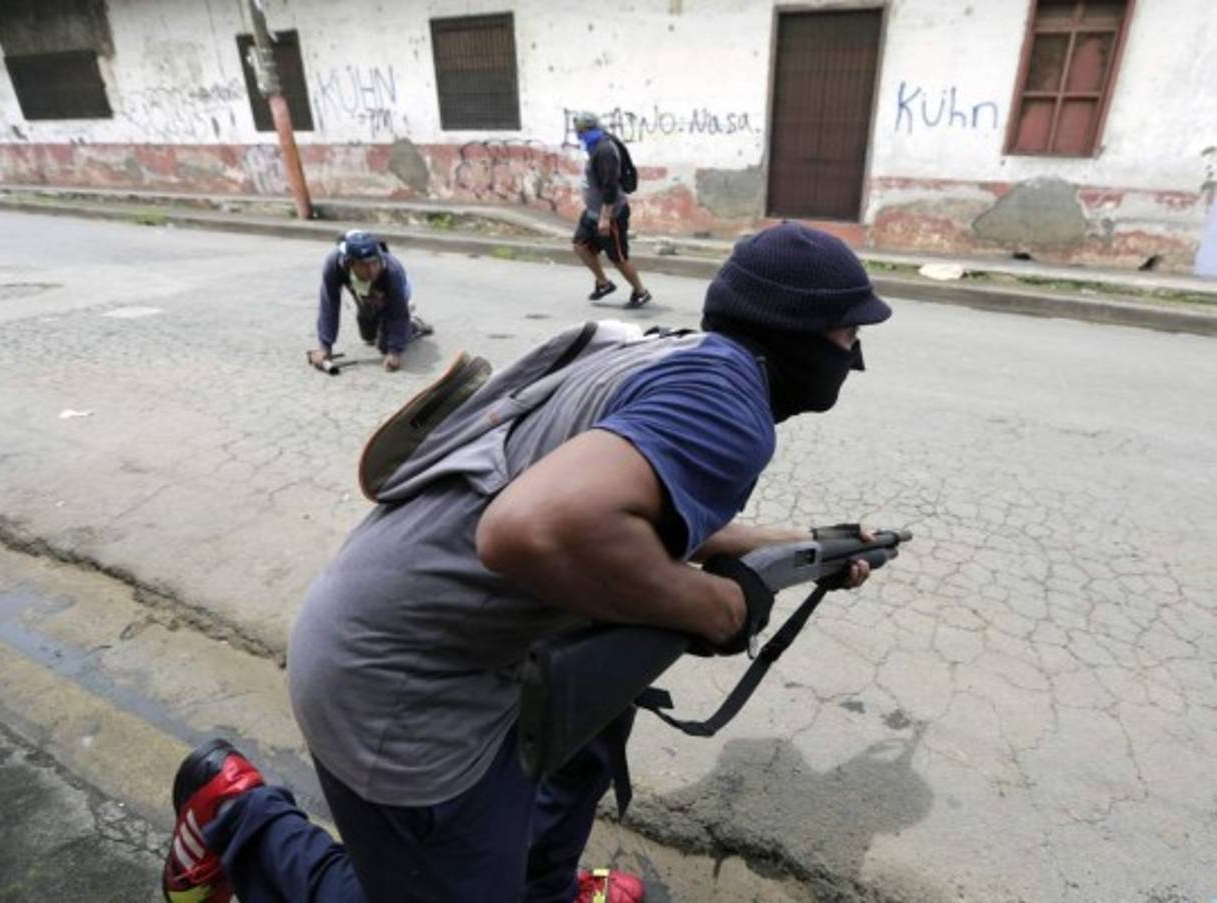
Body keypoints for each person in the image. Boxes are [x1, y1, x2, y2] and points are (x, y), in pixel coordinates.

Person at [162, 222, 893, 903]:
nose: (854, 354)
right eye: (847, 331)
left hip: (432, 644)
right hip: (401, 695)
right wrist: (724, 610)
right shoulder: (730, 405)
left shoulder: (668, 350)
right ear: (797, 332)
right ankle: (235, 817)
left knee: (588, 733)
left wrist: (795, 546)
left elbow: (635, 508)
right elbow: (535, 527)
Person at [310, 230, 432, 373]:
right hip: (363, 294)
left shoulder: (392, 271)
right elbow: (329, 304)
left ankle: (413, 324)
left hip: (394, 295)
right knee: (368, 337)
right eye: (364, 265)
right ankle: (378, 321)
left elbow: (397, 313)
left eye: (374, 263)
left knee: (385, 346)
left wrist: (395, 351)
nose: (372, 270)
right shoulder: (334, 264)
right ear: (350, 263)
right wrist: (325, 347)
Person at [570, 111, 652, 309]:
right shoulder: (594, 144)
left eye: (578, 130)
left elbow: (611, 186)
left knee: (618, 258)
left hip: (610, 214)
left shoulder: (605, 149)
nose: (577, 134)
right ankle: (603, 283)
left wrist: (605, 217)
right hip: (592, 210)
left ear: (584, 129)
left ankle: (641, 292)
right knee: (580, 245)